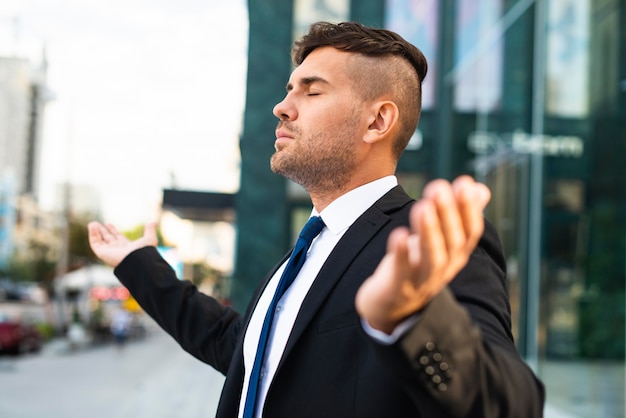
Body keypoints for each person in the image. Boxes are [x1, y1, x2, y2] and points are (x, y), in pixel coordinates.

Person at [88, 21, 544, 417]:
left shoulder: (423, 244)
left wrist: (412, 319)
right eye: (289, 89)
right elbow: (243, 352)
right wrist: (140, 264)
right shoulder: (300, 256)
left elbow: (511, 405)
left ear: (377, 122)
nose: (282, 107)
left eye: (312, 90)